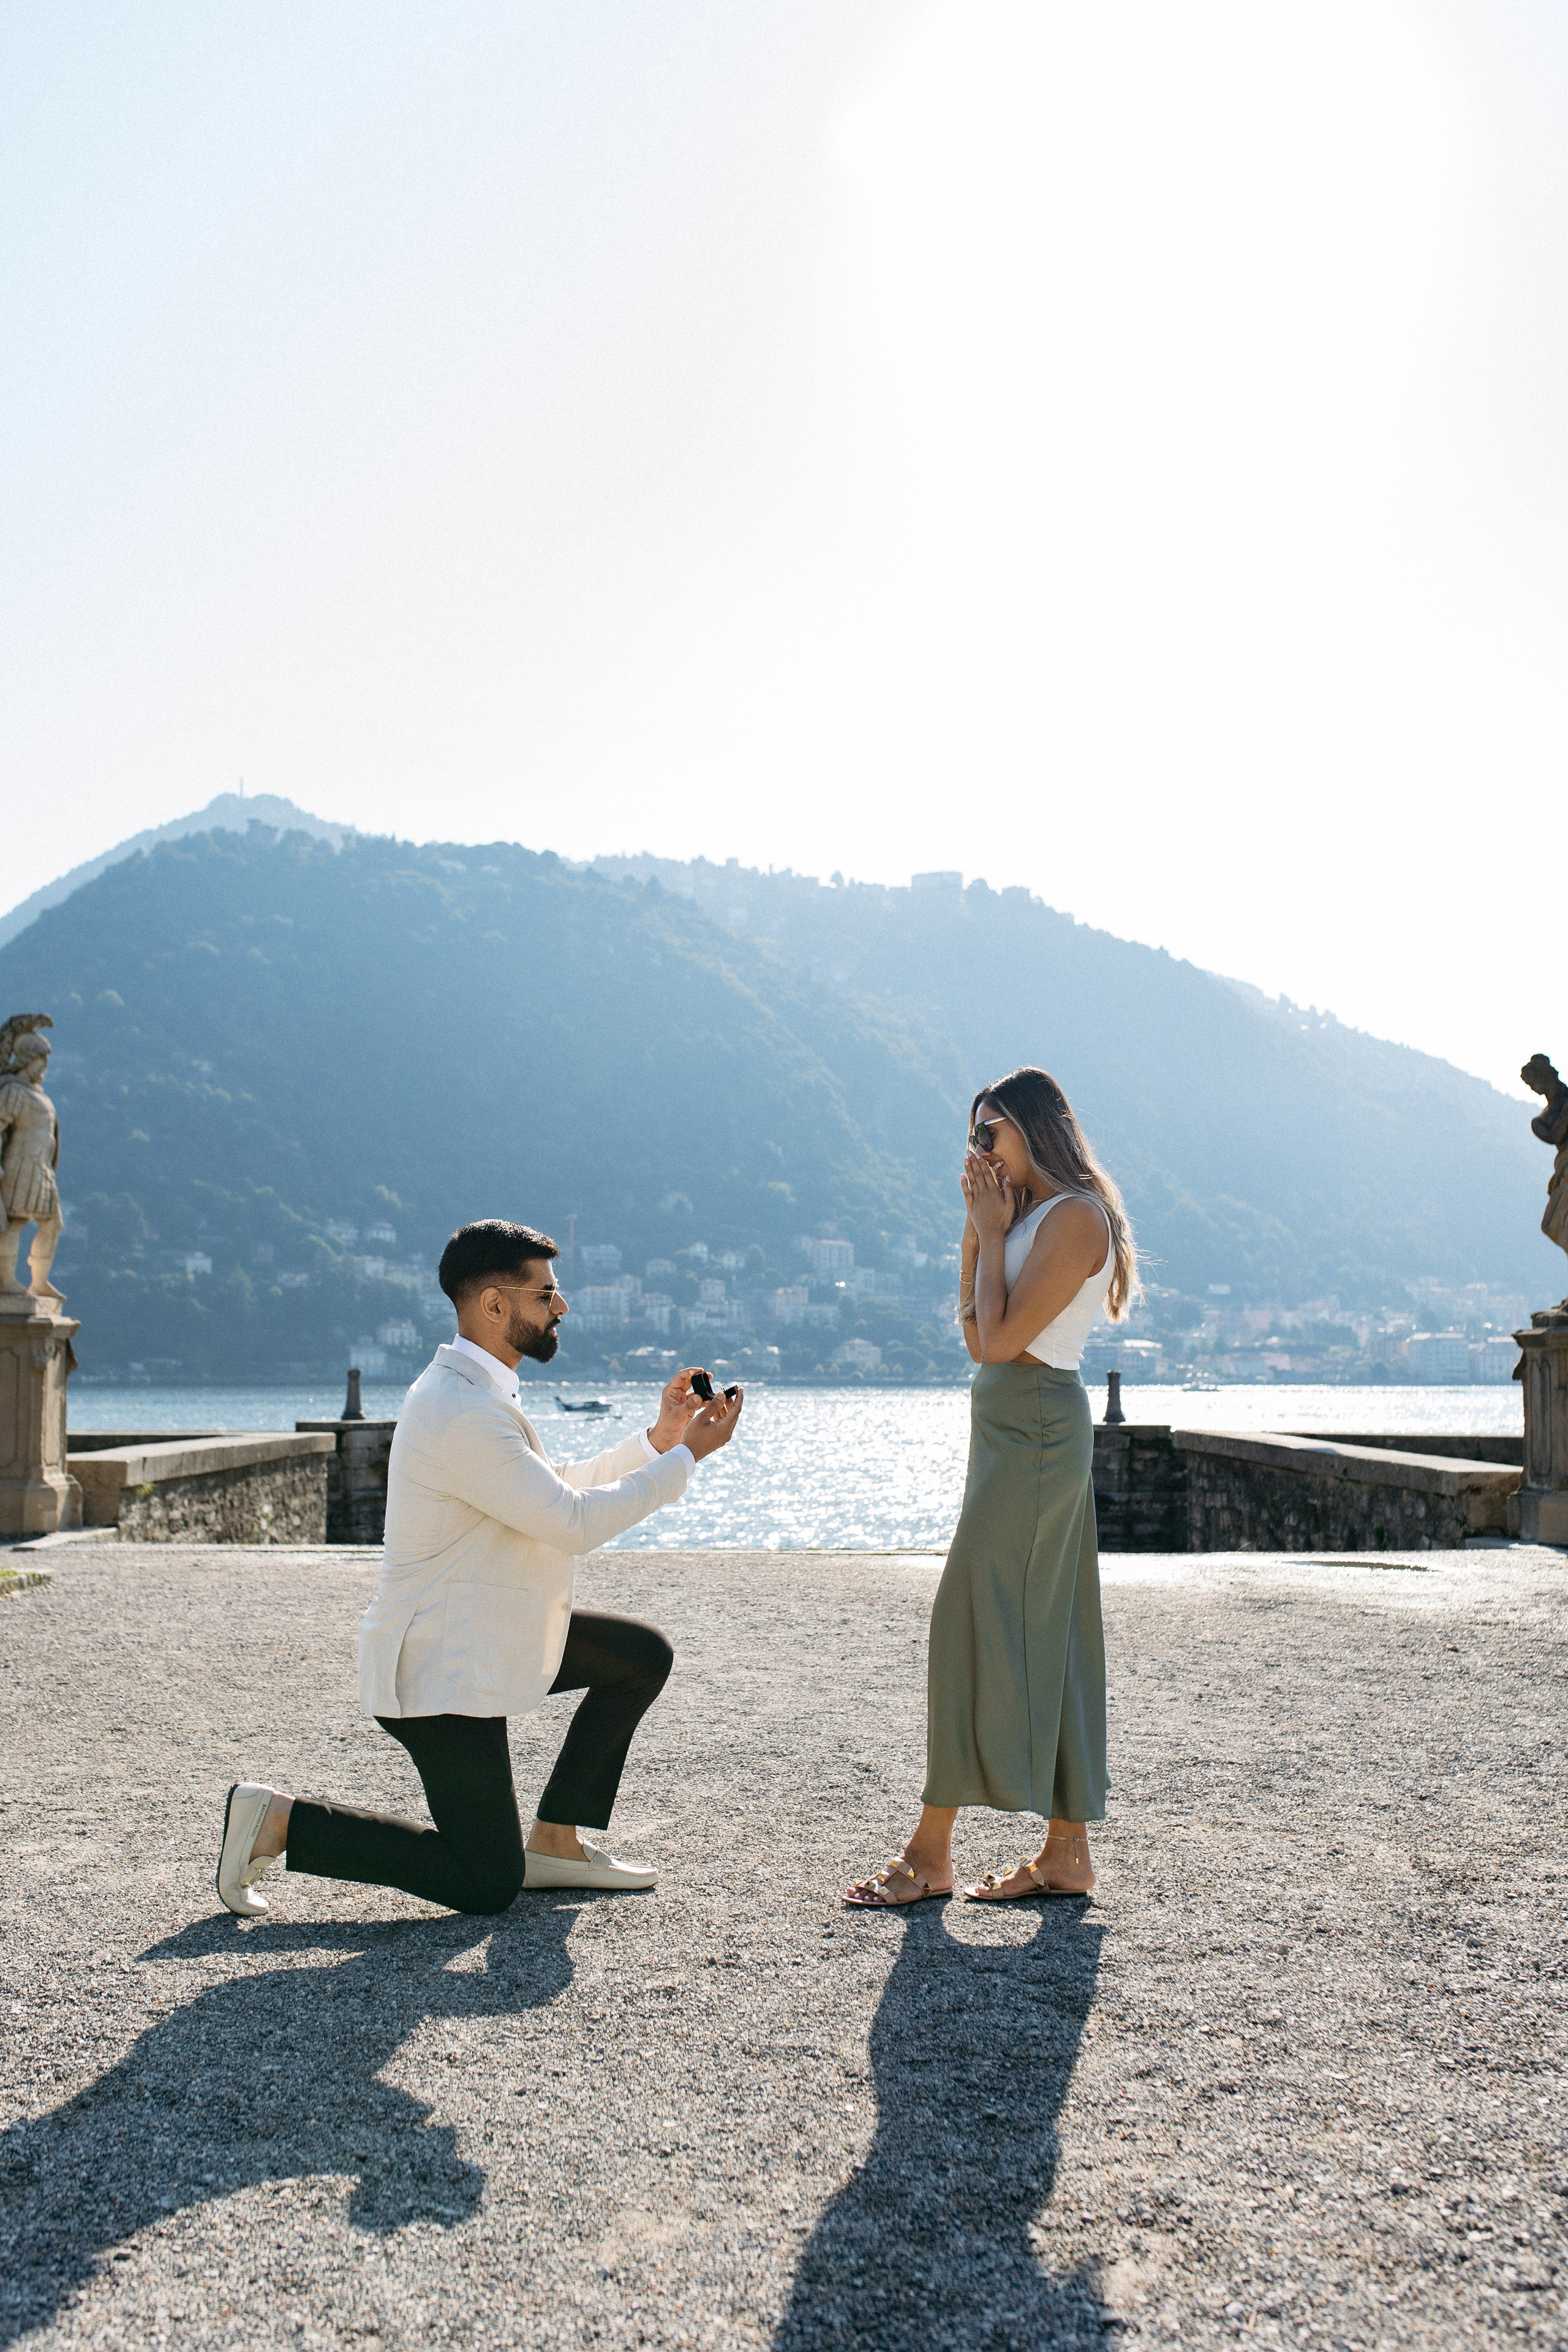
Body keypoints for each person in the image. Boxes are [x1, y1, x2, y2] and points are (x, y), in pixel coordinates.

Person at [216, 1218, 742, 1918]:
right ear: (495, 1305)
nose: (561, 1308)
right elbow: (572, 1522)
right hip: (440, 1665)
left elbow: (555, 1488)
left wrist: (660, 1440)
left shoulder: (478, 1392)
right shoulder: (460, 1407)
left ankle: (555, 1842)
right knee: (485, 1883)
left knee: (638, 1656)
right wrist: (685, 1460)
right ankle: (279, 1821)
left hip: (483, 1633)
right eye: (546, 1293)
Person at [846, 1067, 1136, 1907]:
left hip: (1038, 1424)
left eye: (990, 1134)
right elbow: (979, 1343)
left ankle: (932, 1851)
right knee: (1057, 1623)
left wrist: (985, 1231)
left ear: (1035, 1130)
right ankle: (1066, 1852)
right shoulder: (1023, 1216)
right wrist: (978, 1240)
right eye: (972, 1137)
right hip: (1012, 1425)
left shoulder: (1075, 1217)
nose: (978, 1152)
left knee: (967, 1618)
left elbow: (1005, 1340)